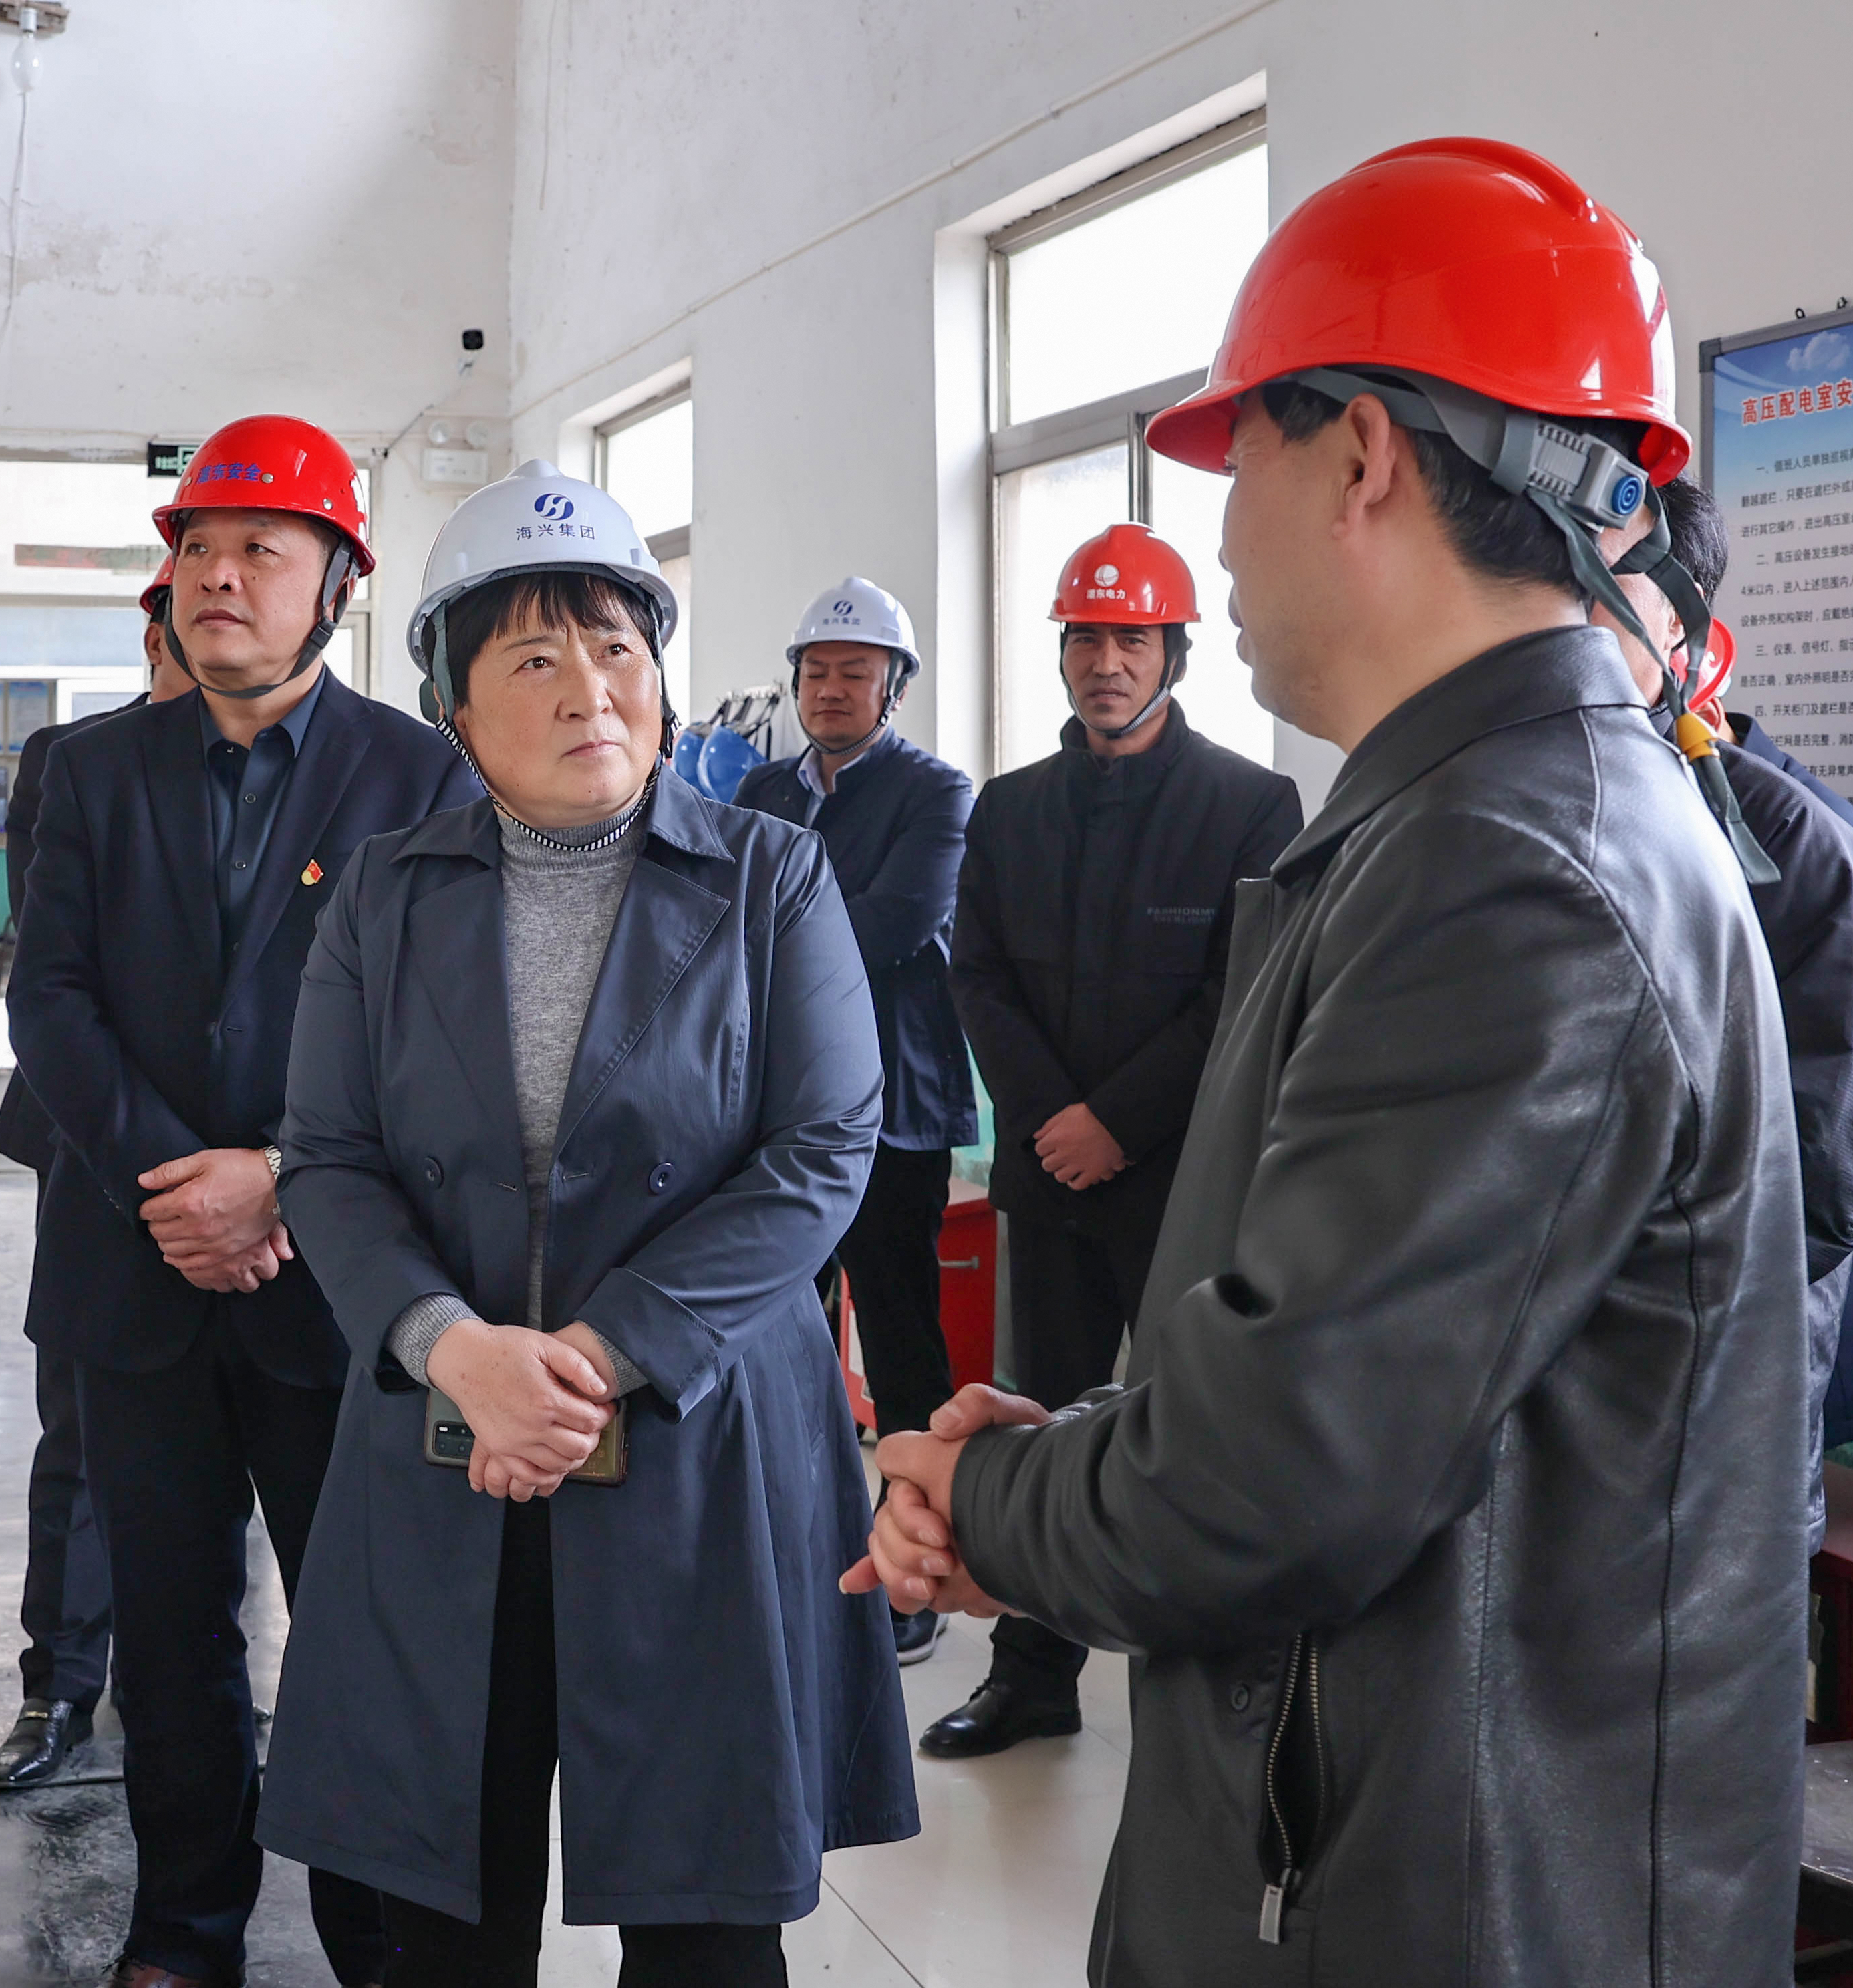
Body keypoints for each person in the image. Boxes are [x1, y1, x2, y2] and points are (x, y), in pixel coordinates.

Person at [849, 138, 1808, 1982]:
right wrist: (1086, 1462)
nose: (1217, 537)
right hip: (1385, 1827)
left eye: (1242, 463)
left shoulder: (1512, 874)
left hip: (1466, 1894)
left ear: (1362, 452)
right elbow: (1340, 1369)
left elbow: (1279, 1479)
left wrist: (988, 1501)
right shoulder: (1462, 825)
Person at [259, 461, 917, 1988]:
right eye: (534, 659)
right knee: (445, 1914)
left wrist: (594, 1360)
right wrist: (454, 1349)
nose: (589, 690)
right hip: (451, 1448)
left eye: (617, 648)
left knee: (708, 1924)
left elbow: (823, 1149)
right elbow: (330, 1159)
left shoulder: (770, 878)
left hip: (700, 1448)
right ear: (455, 707)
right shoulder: (382, 897)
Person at [9, 416, 478, 1988]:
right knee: (169, 1634)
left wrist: (278, 1175)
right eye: (198, 548)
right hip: (135, 1264)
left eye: (260, 549)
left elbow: (437, 1025)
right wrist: (175, 1184)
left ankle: (372, 1936)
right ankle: (183, 1928)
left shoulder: (418, 775)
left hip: (337, 1284)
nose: (219, 575)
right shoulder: (91, 771)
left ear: (338, 583)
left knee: (361, 1634)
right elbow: (49, 999)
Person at [927, 522, 1300, 1756]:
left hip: (1182, 1182)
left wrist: (1117, 1125)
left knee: (1199, 1428)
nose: (1106, 663)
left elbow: (1238, 999)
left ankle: (1213, 1695)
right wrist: (1053, 1124)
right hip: (1050, 1180)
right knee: (1038, 1417)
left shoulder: (1250, 806)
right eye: (1086, 638)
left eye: (1131, 639)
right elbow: (978, 977)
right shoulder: (1011, 810)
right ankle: (1033, 1675)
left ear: (1174, 653)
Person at [1593, 472, 1853, 1550]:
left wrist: (1633, 1295)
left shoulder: (1805, 852)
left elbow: (1822, 1182)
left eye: (1598, 593)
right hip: (1588, 1370)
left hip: (1719, 1364)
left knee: (1719, 1607)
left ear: (1685, 632)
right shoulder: (1586, 814)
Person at [732, 577, 976, 1668]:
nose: (832, 690)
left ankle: (915, 1571)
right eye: (817, 672)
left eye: (856, 673)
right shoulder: (761, 791)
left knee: (901, 1335)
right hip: (772, 1109)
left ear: (895, 687)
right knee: (781, 1331)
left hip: (892, 1110)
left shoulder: (936, 794)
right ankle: (802, 1548)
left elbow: (893, 925)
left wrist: (768, 938)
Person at [0, 551, 196, 1788]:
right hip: (94, 1137)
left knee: (242, 1416)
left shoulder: (326, 769)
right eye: (182, 611)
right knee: (84, 1417)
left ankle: (210, 1671)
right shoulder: (71, 763)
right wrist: (166, 1159)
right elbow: (61, 969)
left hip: (263, 1174)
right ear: (154, 637)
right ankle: (59, 1686)